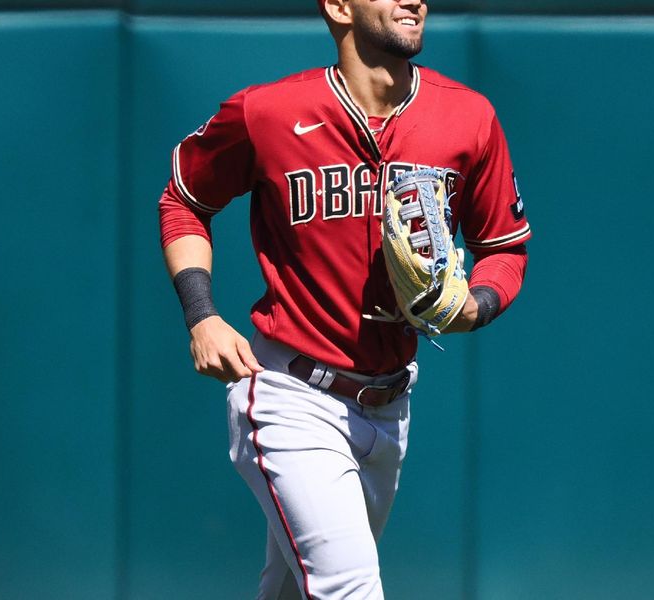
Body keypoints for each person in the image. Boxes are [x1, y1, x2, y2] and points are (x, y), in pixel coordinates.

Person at [159, 0, 531, 597]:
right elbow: (184, 201)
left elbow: (505, 248)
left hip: (390, 404)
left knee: (290, 590)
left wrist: (476, 305)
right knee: (349, 589)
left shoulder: (468, 116)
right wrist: (201, 316)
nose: (414, 0)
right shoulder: (269, 112)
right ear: (338, 6)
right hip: (291, 393)